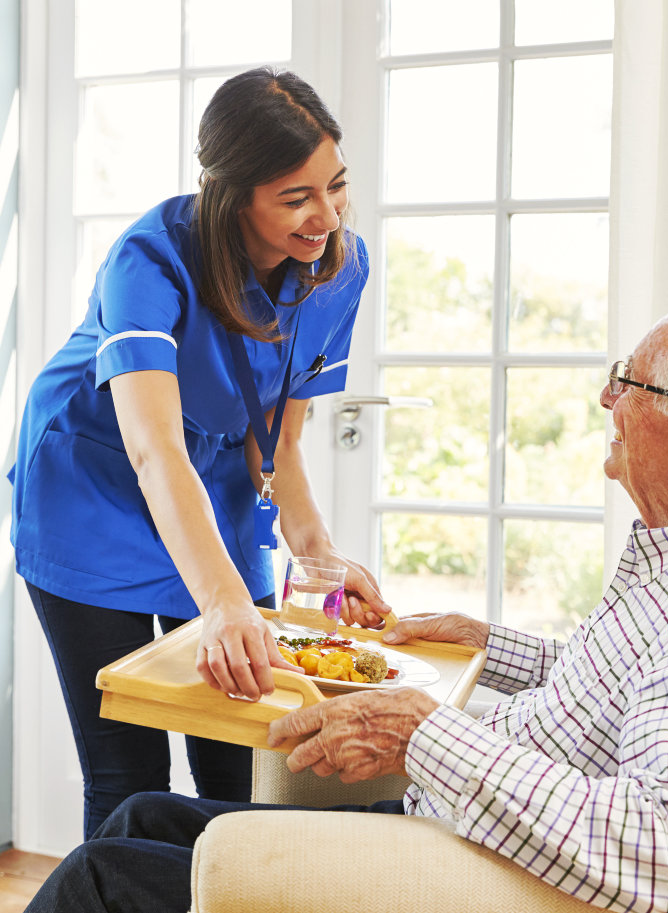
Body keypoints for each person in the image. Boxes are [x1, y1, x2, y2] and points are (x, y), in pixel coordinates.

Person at [25, 294, 668, 913]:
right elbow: (625, 689)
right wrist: (489, 640)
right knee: (141, 816)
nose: (605, 397)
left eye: (631, 381)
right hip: (449, 826)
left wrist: (422, 733)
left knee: (102, 874)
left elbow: (664, 849)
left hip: (461, 870)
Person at [7, 67, 392, 839]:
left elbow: (277, 439)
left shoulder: (338, 268)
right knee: (128, 771)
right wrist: (221, 600)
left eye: (336, 186)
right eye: (296, 197)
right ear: (232, 192)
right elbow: (153, 453)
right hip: (95, 485)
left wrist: (319, 555)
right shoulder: (149, 260)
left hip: (211, 482)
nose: (326, 215)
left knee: (238, 753)